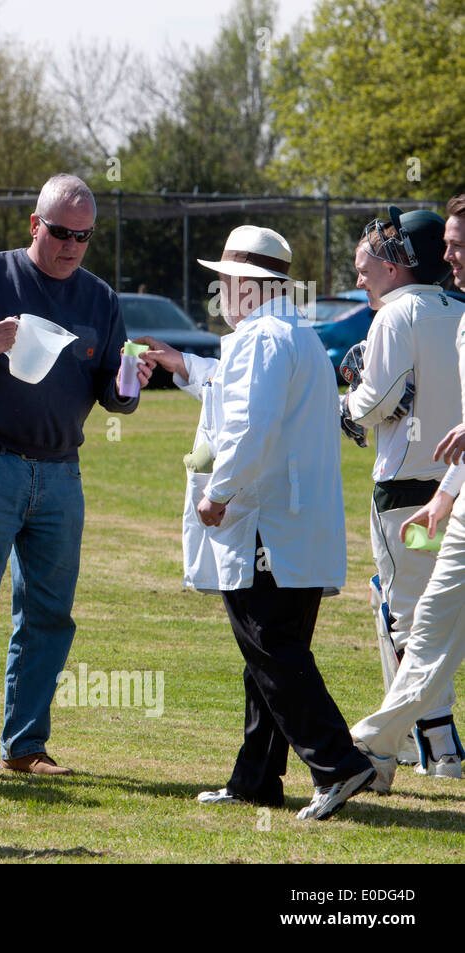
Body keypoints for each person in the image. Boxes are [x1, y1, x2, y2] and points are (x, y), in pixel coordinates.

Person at [138, 225, 376, 821]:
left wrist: (219, 494)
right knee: (271, 654)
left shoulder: (260, 340)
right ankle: (256, 780)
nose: (219, 286)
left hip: (265, 523)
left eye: (224, 277)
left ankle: (338, 764)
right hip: (293, 522)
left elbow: (249, 428)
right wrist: (183, 365)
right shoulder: (288, 334)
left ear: (248, 283)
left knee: (271, 650)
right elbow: (237, 395)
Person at [0, 173, 146, 781]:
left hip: (60, 473)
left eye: (84, 235)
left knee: (48, 614)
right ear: (33, 225)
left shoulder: (99, 299)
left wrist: (128, 389)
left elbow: (113, 391)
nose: (71, 245)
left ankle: (25, 745)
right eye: (60, 232)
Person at [339, 207, 465, 777]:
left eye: (366, 267)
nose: (360, 279)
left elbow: (380, 399)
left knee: (403, 616)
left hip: (408, 491)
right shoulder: (457, 309)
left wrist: (348, 403)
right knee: (427, 616)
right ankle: (429, 744)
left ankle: (433, 745)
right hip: (453, 486)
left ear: (396, 263)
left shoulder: (395, 316)